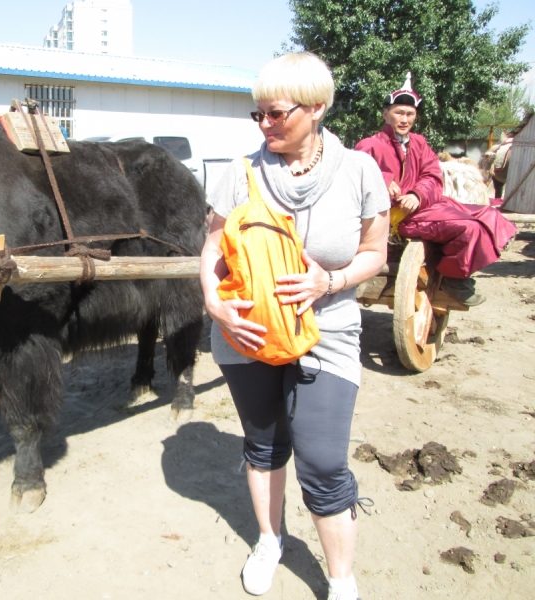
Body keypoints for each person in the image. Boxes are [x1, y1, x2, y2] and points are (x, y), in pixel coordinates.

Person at [201, 52, 390, 600]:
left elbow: (375, 253)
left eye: (276, 114)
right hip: (247, 334)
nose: (264, 125)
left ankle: (340, 579)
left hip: (328, 329)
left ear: (317, 108)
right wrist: (215, 303)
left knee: (324, 459)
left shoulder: (358, 170)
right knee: (263, 445)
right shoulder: (239, 173)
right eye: (256, 114)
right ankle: (269, 540)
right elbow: (211, 250)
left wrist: (328, 282)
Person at [355, 72, 518, 306]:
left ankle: (471, 258)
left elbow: (432, 175)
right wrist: (383, 179)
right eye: (399, 112)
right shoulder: (370, 145)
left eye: (410, 114)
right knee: (469, 228)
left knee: (488, 212)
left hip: (420, 208)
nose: (404, 119)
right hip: (393, 219)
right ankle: (454, 278)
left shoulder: (419, 143)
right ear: (386, 114)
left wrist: (416, 194)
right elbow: (356, 174)